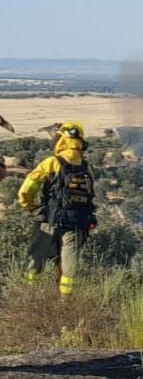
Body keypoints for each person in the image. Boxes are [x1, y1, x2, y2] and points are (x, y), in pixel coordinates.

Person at [17, 121, 96, 296]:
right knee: (69, 266)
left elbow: (26, 190)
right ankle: (65, 303)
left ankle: (30, 298)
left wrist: (31, 207)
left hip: (49, 220)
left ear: (62, 139)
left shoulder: (52, 162)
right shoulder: (87, 167)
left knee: (36, 259)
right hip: (77, 224)